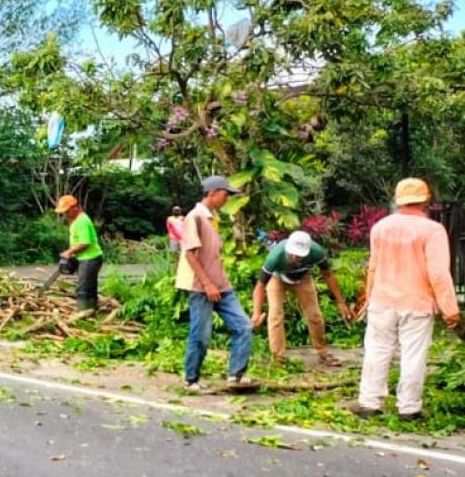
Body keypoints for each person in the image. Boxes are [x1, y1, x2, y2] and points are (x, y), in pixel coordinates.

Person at [351, 178, 462, 421]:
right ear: (426, 201)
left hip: (382, 300)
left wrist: (368, 297)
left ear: (398, 199)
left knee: (377, 351)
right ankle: (409, 409)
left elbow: (373, 266)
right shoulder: (432, 230)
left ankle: (370, 403)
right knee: (413, 355)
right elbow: (439, 273)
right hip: (417, 302)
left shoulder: (380, 227)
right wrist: (450, 310)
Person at [176, 175, 252, 391]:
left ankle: (235, 376)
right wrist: (207, 284)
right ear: (213, 193)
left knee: (243, 326)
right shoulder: (195, 217)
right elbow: (190, 254)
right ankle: (191, 379)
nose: (227, 199)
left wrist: (216, 283)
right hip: (202, 287)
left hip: (222, 285)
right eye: (225, 194)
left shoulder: (212, 218)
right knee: (200, 334)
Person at [250, 229, 352, 367]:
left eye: (299, 255)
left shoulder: (316, 252)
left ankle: (323, 353)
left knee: (314, 315)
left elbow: (328, 275)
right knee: (275, 315)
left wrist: (340, 302)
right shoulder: (275, 256)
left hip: (303, 279)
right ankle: (278, 358)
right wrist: (256, 313)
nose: (296, 258)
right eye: (293, 254)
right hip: (277, 278)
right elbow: (260, 286)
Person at [54, 194, 103, 315]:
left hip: (90, 258)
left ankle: (83, 313)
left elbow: (84, 243)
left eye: (67, 211)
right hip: (85, 257)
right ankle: (91, 310)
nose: (65, 214)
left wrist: (69, 252)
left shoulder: (82, 221)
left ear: (74, 207)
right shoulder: (77, 220)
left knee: (84, 288)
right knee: (89, 286)